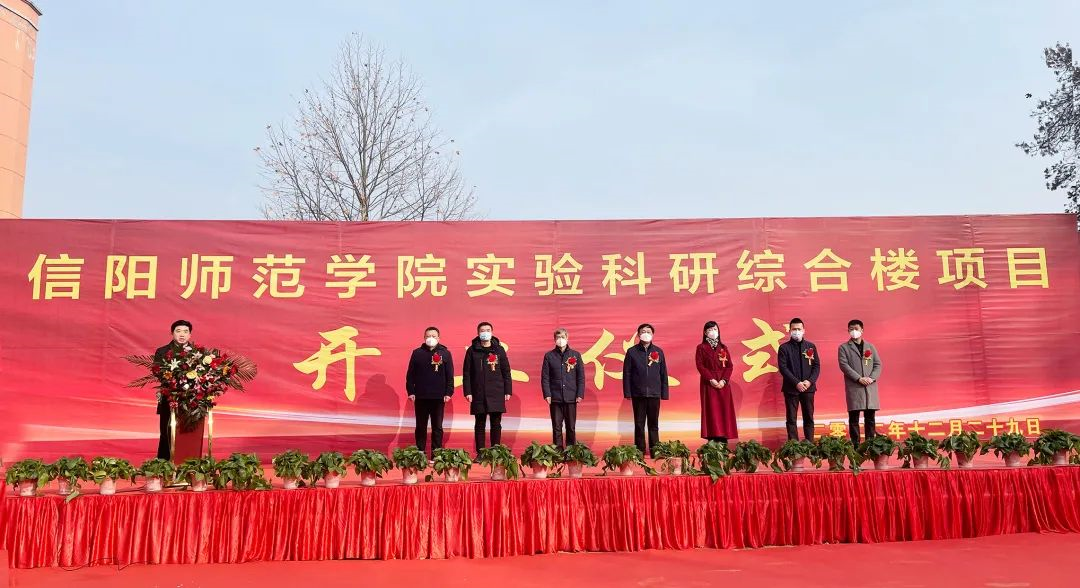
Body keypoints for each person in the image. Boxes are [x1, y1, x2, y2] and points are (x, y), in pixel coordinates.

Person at [462, 322, 512, 454]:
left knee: (496, 423)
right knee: (480, 424)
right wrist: (468, 391)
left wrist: (508, 390)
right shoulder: (472, 350)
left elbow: (506, 371)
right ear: (478, 333)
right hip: (478, 392)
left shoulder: (499, 350)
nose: (485, 332)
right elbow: (467, 373)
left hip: (496, 391)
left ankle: (495, 452)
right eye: (482, 330)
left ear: (492, 332)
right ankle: (481, 453)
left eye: (488, 330)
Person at [405, 326, 454, 459]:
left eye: (433, 336)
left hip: (439, 397)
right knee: (420, 426)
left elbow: (450, 375)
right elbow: (410, 375)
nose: (430, 338)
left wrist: (448, 392)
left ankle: (436, 454)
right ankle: (420, 452)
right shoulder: (417, 353)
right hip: (421, 396)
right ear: (424, 338)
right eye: (428, 336)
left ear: (438, 338)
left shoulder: (445, 353)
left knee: (437, 426)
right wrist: (411, 391)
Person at [623, 323, 669, 458]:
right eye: (643, 331)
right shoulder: (632, 352)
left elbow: (663, 373)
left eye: (648, 331)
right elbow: (627, 373)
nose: (646, 334)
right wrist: (628, 392)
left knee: (654, 424)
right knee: (639, 424)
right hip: (638, 393)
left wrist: (664, 393)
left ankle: (656, 451)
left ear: (652, 334)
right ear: (638, 335)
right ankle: (639, 451)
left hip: (654, 393)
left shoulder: (658, 351)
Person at [837, 319, 882, 445]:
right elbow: (844, 365)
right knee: (854, 419)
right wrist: (858, 378)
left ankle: (870, 445)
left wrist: (871, 378)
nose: (854, 331)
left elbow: (878, 364)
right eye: (851, 329)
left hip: (869, 387)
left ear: (862, 330)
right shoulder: (844, 348)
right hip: (854, 387)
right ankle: (856, 446)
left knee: (870, 418)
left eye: (856, 329)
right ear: (848, 331)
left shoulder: (870, 347)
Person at [540, 328, 585, 449]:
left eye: (563, 337)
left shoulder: (575, 355)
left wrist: (580, 394)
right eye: (558, 338)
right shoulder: (549, 356)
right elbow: (545, 377)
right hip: (555, 397)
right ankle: (558, 452)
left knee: (571, 427)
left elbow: (581, 377)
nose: (560, 340)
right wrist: (547, 394)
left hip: (571, 396)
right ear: (554, 339)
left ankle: (570, 451)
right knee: (556, 427)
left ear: (567, 338)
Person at [154, 319, 193, 459]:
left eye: (185, 331)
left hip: (191, 398)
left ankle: (188, 462)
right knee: (167, 431)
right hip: (169, 397)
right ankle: (163, 465)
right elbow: (157, 371)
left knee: (189, 432)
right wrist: (175, 381)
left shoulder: (197, 353)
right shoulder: (162, 351)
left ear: (190, 335)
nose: (182, 334)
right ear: (172, 333)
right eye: (178, 331)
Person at [777, 318, 820, 441]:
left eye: (799, 329)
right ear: (789, 331)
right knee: (791, 419)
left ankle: (809, 444)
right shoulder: (784, 348)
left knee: (809, 417)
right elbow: (783, 368)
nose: (796, 331)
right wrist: (796, 383)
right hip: (791, 389)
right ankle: (794, 446)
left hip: (808, 388)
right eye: (794, 329)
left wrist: (809, 381)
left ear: (803, 330)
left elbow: (816, 366)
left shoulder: (810, 347)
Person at [694, 321, 737, 443]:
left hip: (723, 384)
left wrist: (724, 380)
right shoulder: (701, 348)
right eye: (710, 330)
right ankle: (712, 440)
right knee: (711, 411)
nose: (713, 332)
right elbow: (700, 365)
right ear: (705, 332)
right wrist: (711, 379)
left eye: (715, 329)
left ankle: (723, 440)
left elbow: (729, 366)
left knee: (724, 410)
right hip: (709, 383)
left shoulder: (723, 348)